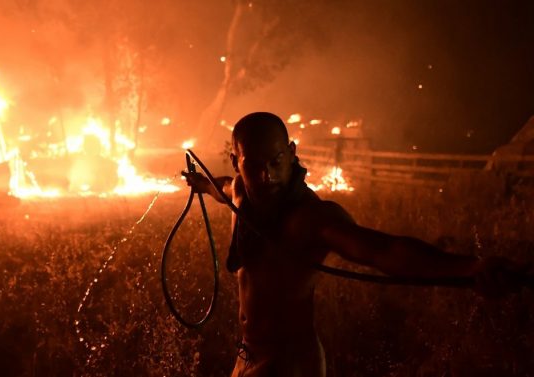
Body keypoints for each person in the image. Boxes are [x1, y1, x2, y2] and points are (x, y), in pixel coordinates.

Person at [182, 112, 528, 377]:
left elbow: (384, 250)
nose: (266, 176)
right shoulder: (241, 193)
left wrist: (470, 268)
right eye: (253, 166)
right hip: (246, 359)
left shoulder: (313, 219)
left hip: (291, 365)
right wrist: (201, 183)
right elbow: (223, 187)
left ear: (291, 154)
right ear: (236, 162)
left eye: (275, 163)